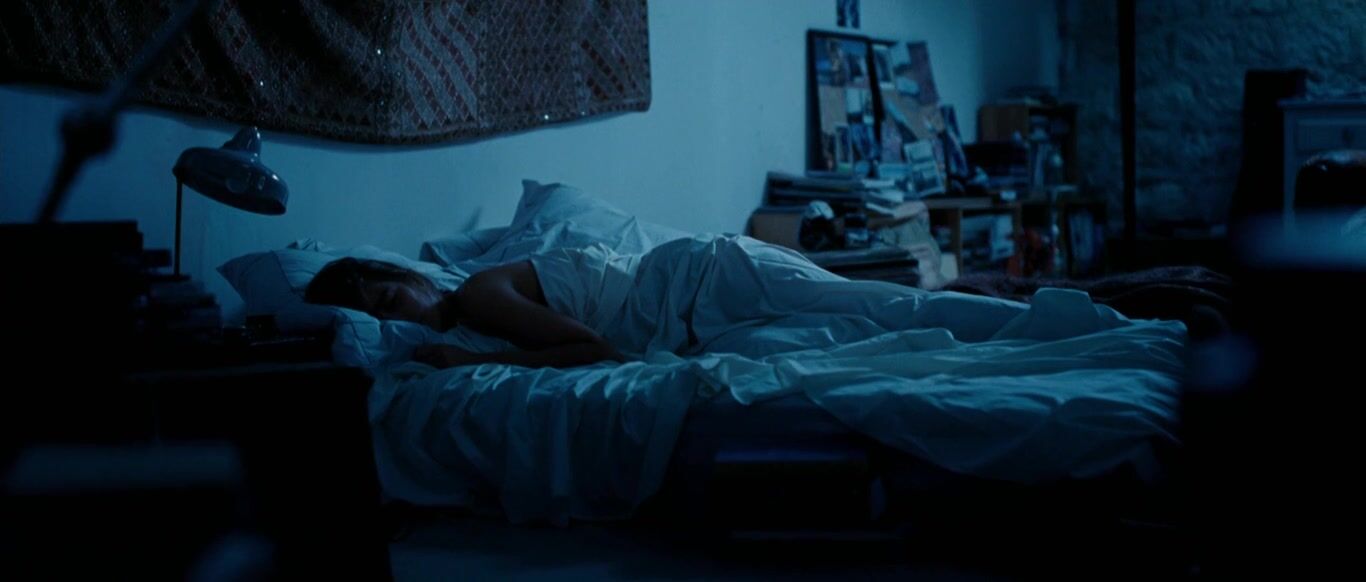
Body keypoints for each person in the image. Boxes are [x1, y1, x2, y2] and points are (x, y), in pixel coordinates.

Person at [306, 236, 1031, 369]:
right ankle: (1026, 335)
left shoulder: (476, 295)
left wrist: (464, 366)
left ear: (412, 277)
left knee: (890, 309)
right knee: (866, 330)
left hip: (709, 280)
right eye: (380, 316)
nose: (396, 316)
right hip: (694, 324)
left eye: (392, 295)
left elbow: (595, 350)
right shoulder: (466, 325)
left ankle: (1041, 323)